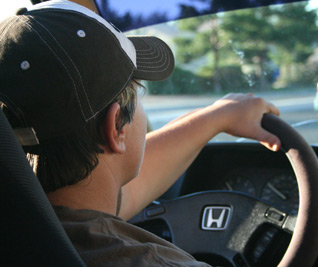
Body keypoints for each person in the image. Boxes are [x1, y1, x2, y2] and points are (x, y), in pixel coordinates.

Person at [0, 0, 281, 265]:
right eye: (139, 96)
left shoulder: (27, 224)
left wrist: (218, 116)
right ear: (117, 127)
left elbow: (112, 192)